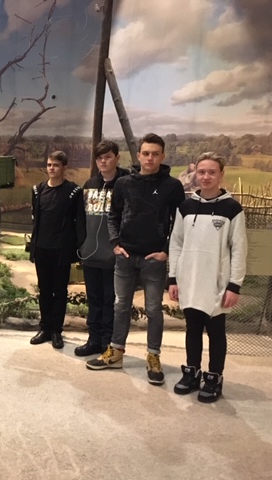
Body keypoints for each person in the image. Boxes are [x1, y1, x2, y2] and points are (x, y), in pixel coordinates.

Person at [86, 133, 185, 385]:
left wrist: (166, 251)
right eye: (146, 153)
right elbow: (113, 215)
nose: (150, 158)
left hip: (154, 258)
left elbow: (179, 223)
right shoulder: (124, 184)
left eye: (155, 154)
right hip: (126, 256)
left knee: (153, 309)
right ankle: (116, 351)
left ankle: (153, 356)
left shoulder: (172, 186)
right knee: (120, 305)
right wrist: (115, 244)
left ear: (162, 156)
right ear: (138, 155)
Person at [168, 152, 247, 403]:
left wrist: (234, 285)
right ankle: (192, 372)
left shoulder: (231, 208)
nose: (206, 177)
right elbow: (176, 243)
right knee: (192, 329)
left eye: (212, 172)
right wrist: (173, 278)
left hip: (216, 284)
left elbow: (239, 249)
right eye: (201, 172)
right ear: (196, 174)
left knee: (215, 332)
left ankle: (214, 377)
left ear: (221, 175)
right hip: (189, 280)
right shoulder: (186, 207)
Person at [75, 141, 129, 357]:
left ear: (117, 158)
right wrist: (83, 244)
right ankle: (94, 340)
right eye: (99, 158)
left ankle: (108, 343)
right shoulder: (90, 184)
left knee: (111, 301)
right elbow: (81, 218)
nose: (103, 161)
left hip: (114, 255)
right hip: (91, 253)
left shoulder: (126, 183)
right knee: (94, 299)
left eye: (107, 157)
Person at [28, 151, 83, 349]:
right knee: (44, 289)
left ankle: (56, 331)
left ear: (64, 168)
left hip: (61, 250)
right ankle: (44, 328)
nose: (51, 168)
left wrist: (78, 249)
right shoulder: (38, 190)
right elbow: (36, 219)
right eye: (49, 165)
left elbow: (78, 222)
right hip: (41, 248)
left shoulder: (73, 192)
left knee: (59, 291)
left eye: (56, 165)